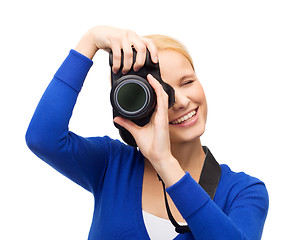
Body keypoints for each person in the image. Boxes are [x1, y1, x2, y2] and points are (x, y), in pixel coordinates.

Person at [26, 25, 269, 240]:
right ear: (136, 105)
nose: (182, 101)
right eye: (162, 93)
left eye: (187, 82)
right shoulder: (112, 165)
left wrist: (165, 163)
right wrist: (91, 40)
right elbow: (43, 138)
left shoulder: (244, 191)